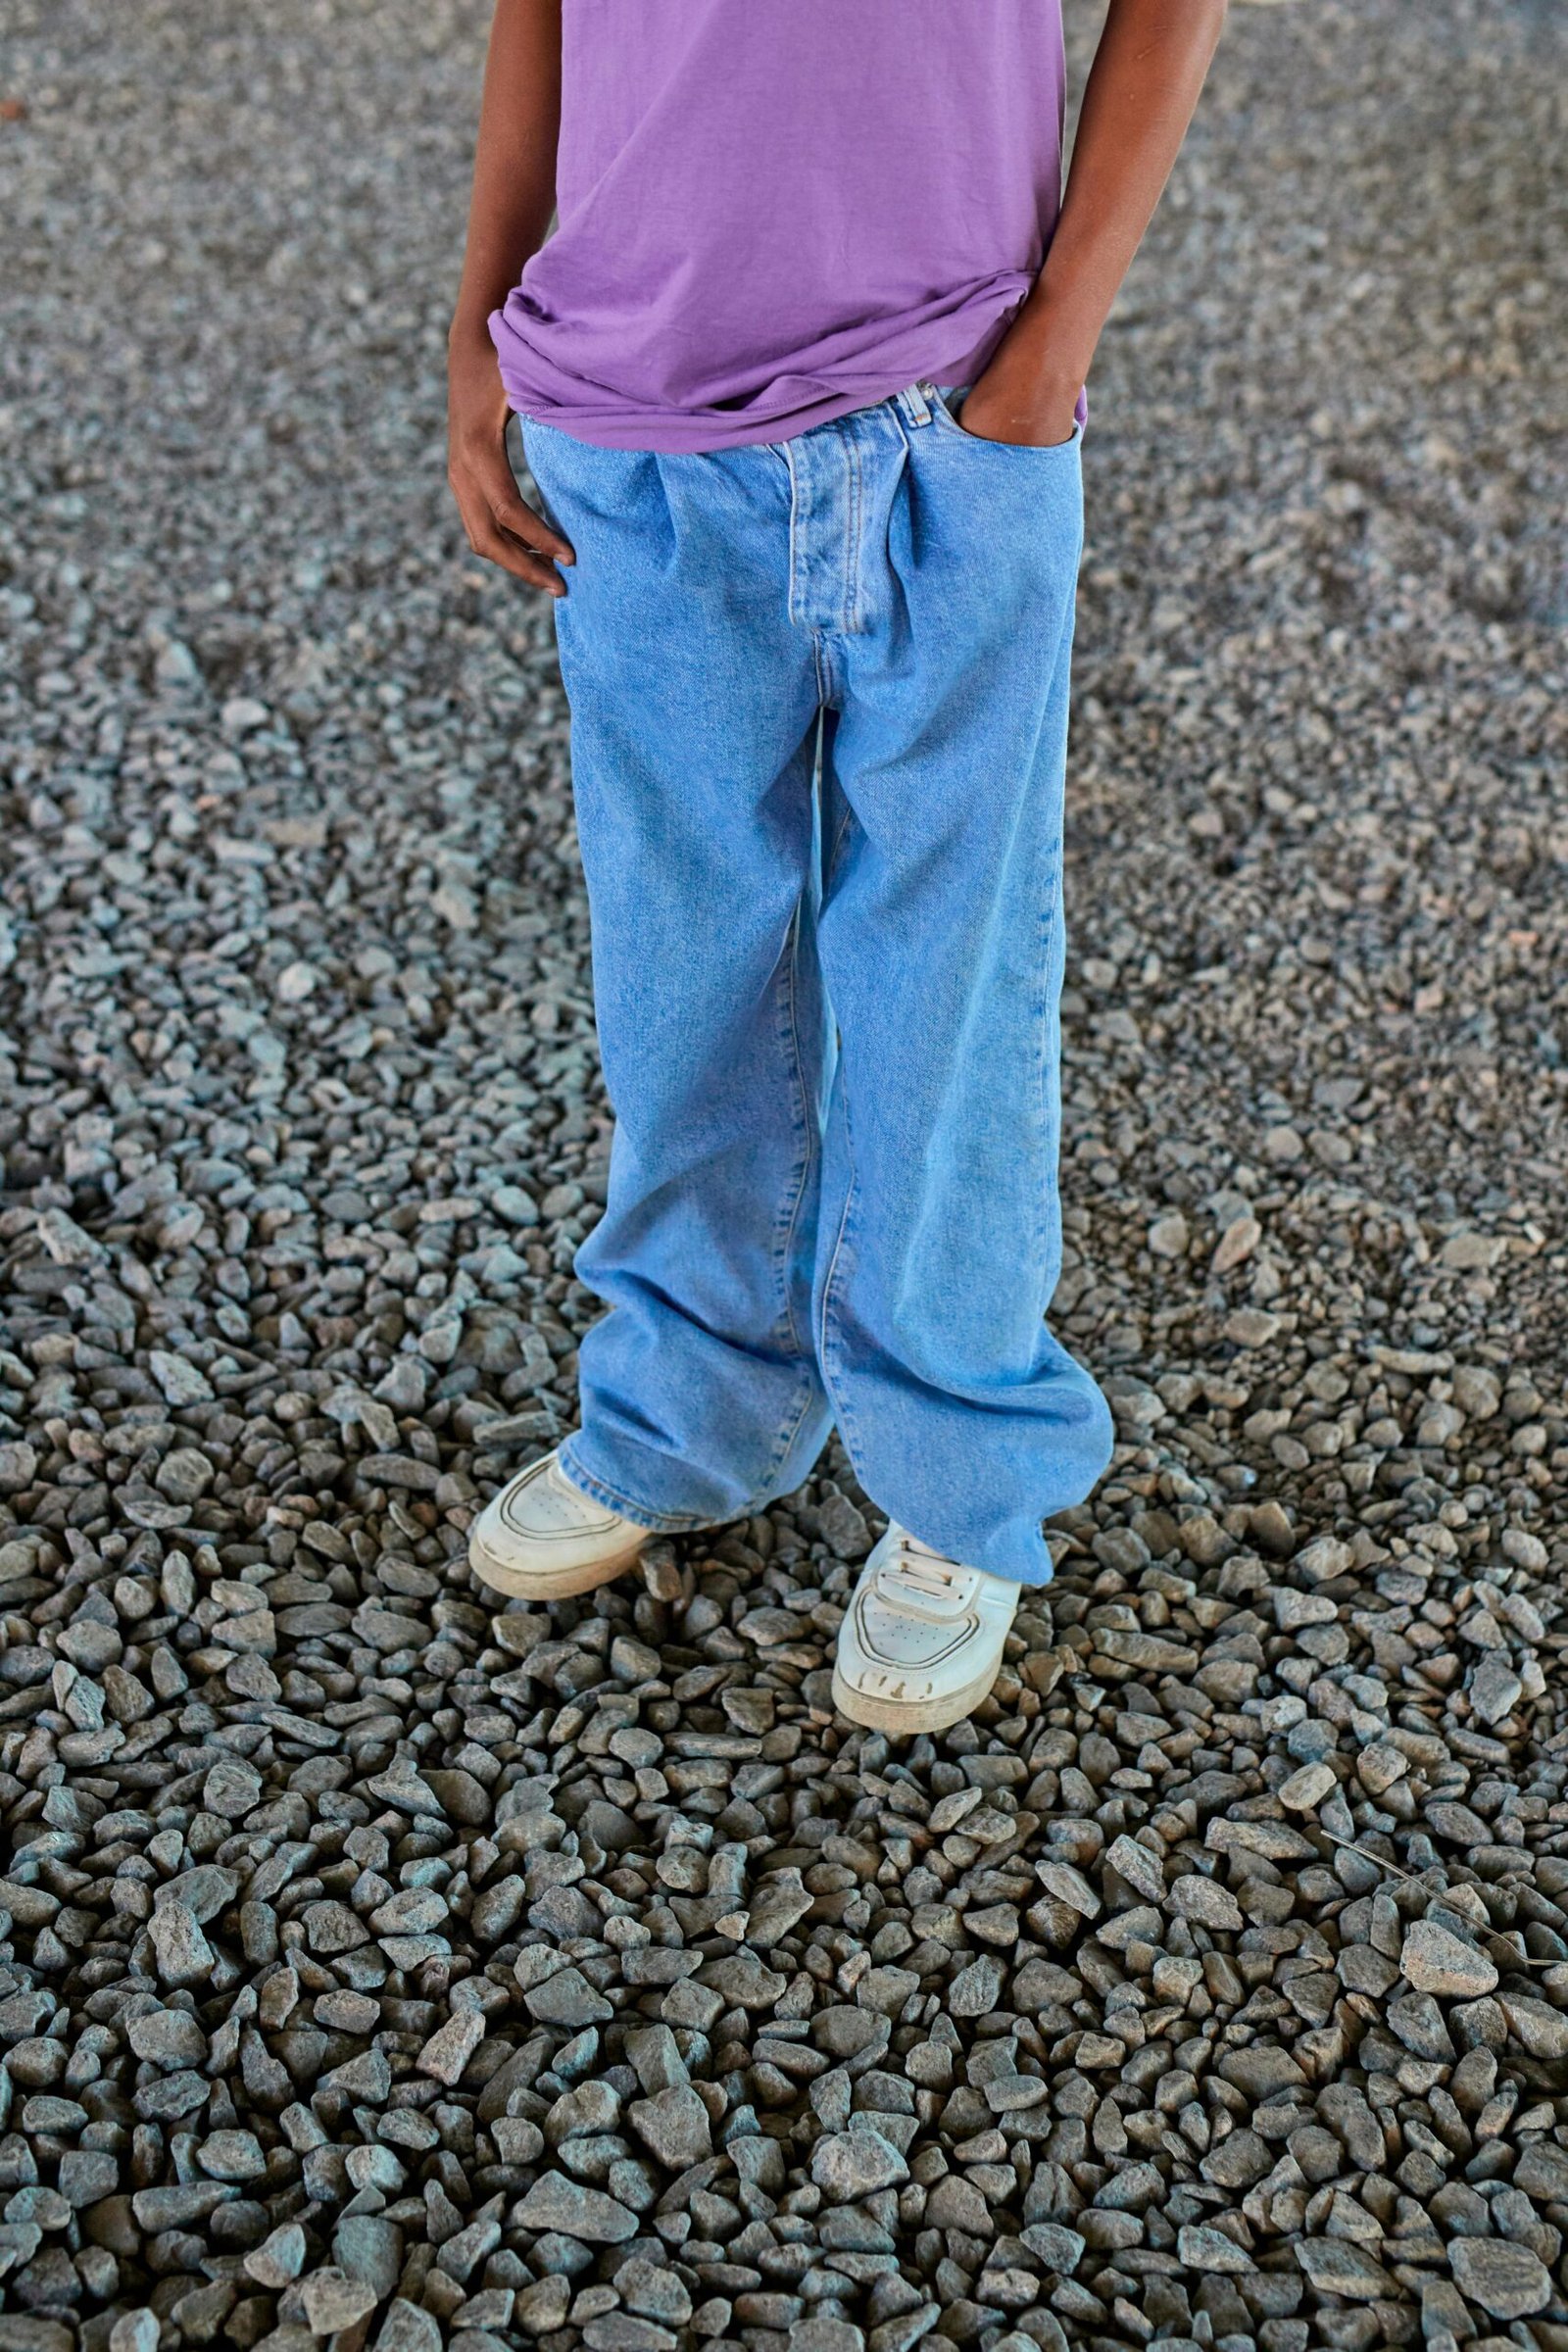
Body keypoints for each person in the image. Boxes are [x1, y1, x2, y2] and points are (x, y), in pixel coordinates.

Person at [449, 0, 1226, 1735]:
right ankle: (686, 1410)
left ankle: (958, 1470)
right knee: (680, 959)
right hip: (627, 421)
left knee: (952, 960)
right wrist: (478, 327)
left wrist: (1044, 360)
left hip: (945, 417)